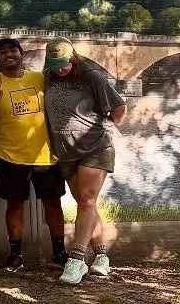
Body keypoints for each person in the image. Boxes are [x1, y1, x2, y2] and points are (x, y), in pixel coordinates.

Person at [0, 38, 67, 272]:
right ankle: (15, 255)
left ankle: (59, 253)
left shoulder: (39, 79)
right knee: (14, 206)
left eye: (12, 50)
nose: (8, 55)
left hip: (46, 156)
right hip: (10, 156)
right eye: (2, 52)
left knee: (53, 204)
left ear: (21, 53)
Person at [43, 38, 127, 285]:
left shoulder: (91, 75)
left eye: (64, 64)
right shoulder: (48, 76)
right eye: (55, 64)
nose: (59, 69)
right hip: (67, 152)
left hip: (95, 148)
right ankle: (101, 257)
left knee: (87, 200)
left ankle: (77, 260)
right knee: (84, 203)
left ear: (73, 58)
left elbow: (119, 107)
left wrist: (105, 128)